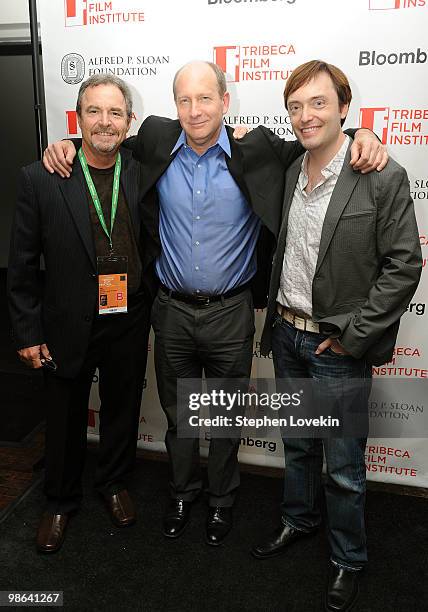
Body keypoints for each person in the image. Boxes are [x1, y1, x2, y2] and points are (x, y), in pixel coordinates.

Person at [42, 60, 386, 546]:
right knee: (180, 416)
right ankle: (182, 492)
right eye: (184, 99)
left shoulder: (259, 149)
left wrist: (362, 133)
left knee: (222, 418)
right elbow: (105, 140)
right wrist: (67, 144)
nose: (195, 109)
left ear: (226, 102)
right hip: (172, 311)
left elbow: (319, 139)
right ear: (173, 106)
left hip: (231, 312)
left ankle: (222, 501)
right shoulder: (157, 143)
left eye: (205, 98)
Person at [249, 60, 422, 611]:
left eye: (319, 103)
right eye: (296, 106)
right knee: (299, 446)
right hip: (288, 336)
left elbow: (404, 264)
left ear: (344, 108)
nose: (306, 116)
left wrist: (354, 335)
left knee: (344, 467)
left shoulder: (379, 173)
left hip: (336, 347)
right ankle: (297, 520)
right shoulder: (290, 169)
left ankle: (348, 558)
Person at [8, 75, 154, 554]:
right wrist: (27, 332)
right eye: (94, 112)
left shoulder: (143, 170)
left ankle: (112, 483)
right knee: (65, 415)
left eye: (115, 113)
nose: (105, 122)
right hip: (66, 321)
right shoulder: (41, 178)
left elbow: (197, 128)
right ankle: (59, 500)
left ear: (129, 122)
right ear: (78, 119)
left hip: (127, 318)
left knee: (122, 409)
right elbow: (23, 264)